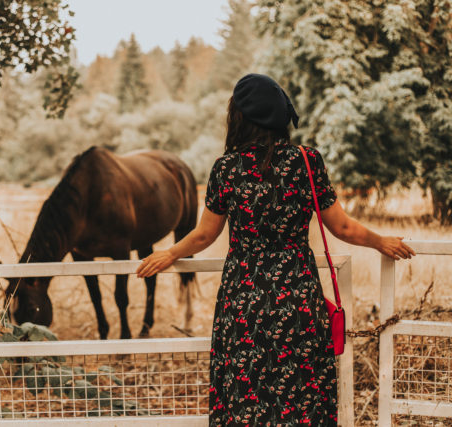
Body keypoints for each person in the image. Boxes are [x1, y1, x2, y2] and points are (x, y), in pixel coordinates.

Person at [136, 73, 415, 426]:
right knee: (301, 396)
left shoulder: (226, 169)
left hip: (243, 300)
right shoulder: (307, 161)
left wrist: (170, 253)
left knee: (244, 396)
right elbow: (341, 226)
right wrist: (381, 242)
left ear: (239, 117)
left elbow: (205, 234)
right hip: (297, 297)